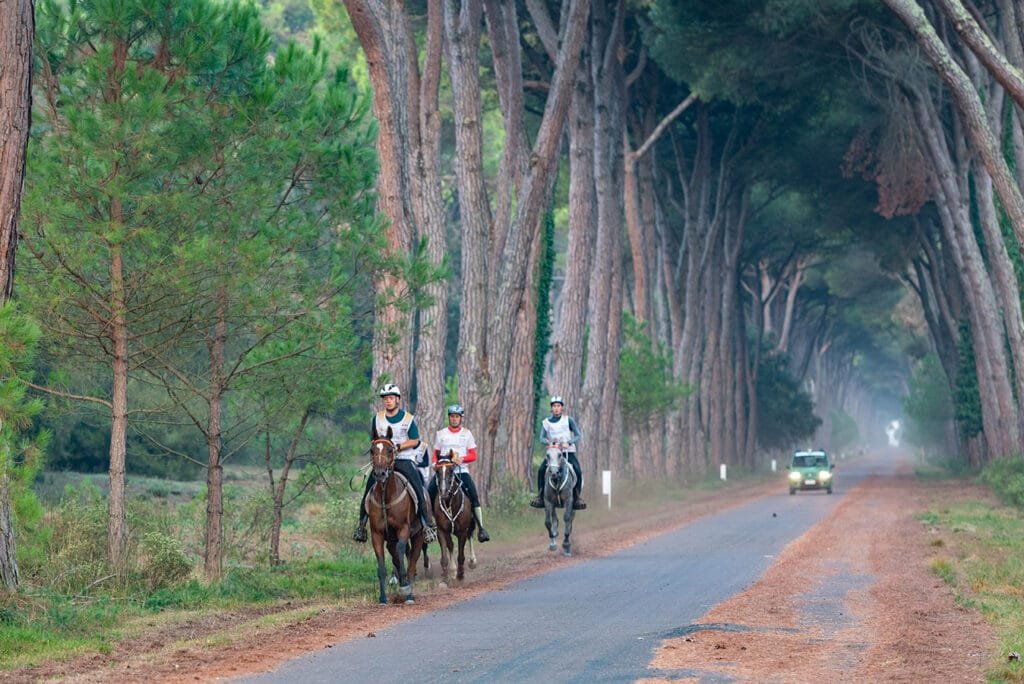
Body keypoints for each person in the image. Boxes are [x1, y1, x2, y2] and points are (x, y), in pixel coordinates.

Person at [353, 384, 438, 543]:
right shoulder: (377, 418)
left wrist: (397, 447)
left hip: (404, 459)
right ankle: (361, 526)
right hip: (383, 462)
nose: (388, 401)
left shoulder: (408, 419)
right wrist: (379, 451)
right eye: (385, 398)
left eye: (391, 398)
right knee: (368, 490)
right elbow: (374, 439)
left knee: (418, 488)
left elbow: (414, 440)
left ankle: (427, 525)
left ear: (397, 400)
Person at [429, 404, 490, 543]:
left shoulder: (467, 434)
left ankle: (481, 528)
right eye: (452, 416)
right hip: (444, 471)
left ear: (461, 418)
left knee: (473, 495)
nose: (454, 419)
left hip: (461, 471)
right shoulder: (441, 434)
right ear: (449, 418)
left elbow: (473, 455)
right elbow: (435, 454)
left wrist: (461, 459)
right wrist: (434, 464)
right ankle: (430, 524)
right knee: (429, 492)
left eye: (457, 417)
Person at [530, 395, 586, 510]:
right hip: (553, 454)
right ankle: (540, 496)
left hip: (567, 452)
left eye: (558, 406)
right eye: (554, 406)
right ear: (551, 408)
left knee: (577, 470)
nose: (556, 408)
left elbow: (578, 435)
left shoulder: (568, 420)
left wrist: (569, 443)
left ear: (562, 408)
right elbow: (541, 437)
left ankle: (577, 497)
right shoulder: (546, 422)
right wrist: (548, 443)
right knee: (541, 470)